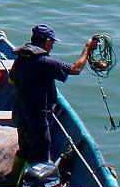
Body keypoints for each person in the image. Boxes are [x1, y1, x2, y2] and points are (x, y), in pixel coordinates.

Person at [11, 24, 97, 165]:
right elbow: (76, 69)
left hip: (20, 114)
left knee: (24, 150)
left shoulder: (22, 57)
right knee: (39, 156)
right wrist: (87, 48)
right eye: (52, 42)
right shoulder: (46, 62)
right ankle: (30, 184)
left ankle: (12, 181)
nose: (52, 46)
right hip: (37, 119)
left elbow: (11, 78)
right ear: (47, 41)